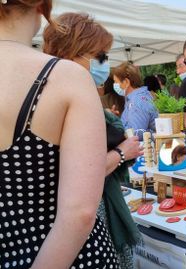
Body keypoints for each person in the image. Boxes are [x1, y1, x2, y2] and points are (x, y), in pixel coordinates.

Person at [0, 1, 118, 268]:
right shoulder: (66, 78)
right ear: (43, 6)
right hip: (71, 257)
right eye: (100, 56)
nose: (104, 64)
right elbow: (79, 214)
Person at [43, 12, 143, 267]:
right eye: (100, 56)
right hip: (82, 231)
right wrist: (121, 152)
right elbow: (83, 175)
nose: (104, 64)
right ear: (73, 54)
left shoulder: (46, 95)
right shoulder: (69, 101)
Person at [112, 62, 158, 138]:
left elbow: (135, 135)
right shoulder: (134, 99)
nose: (114, 85)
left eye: (116, 82)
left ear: (126, 82)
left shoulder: (137, 101)